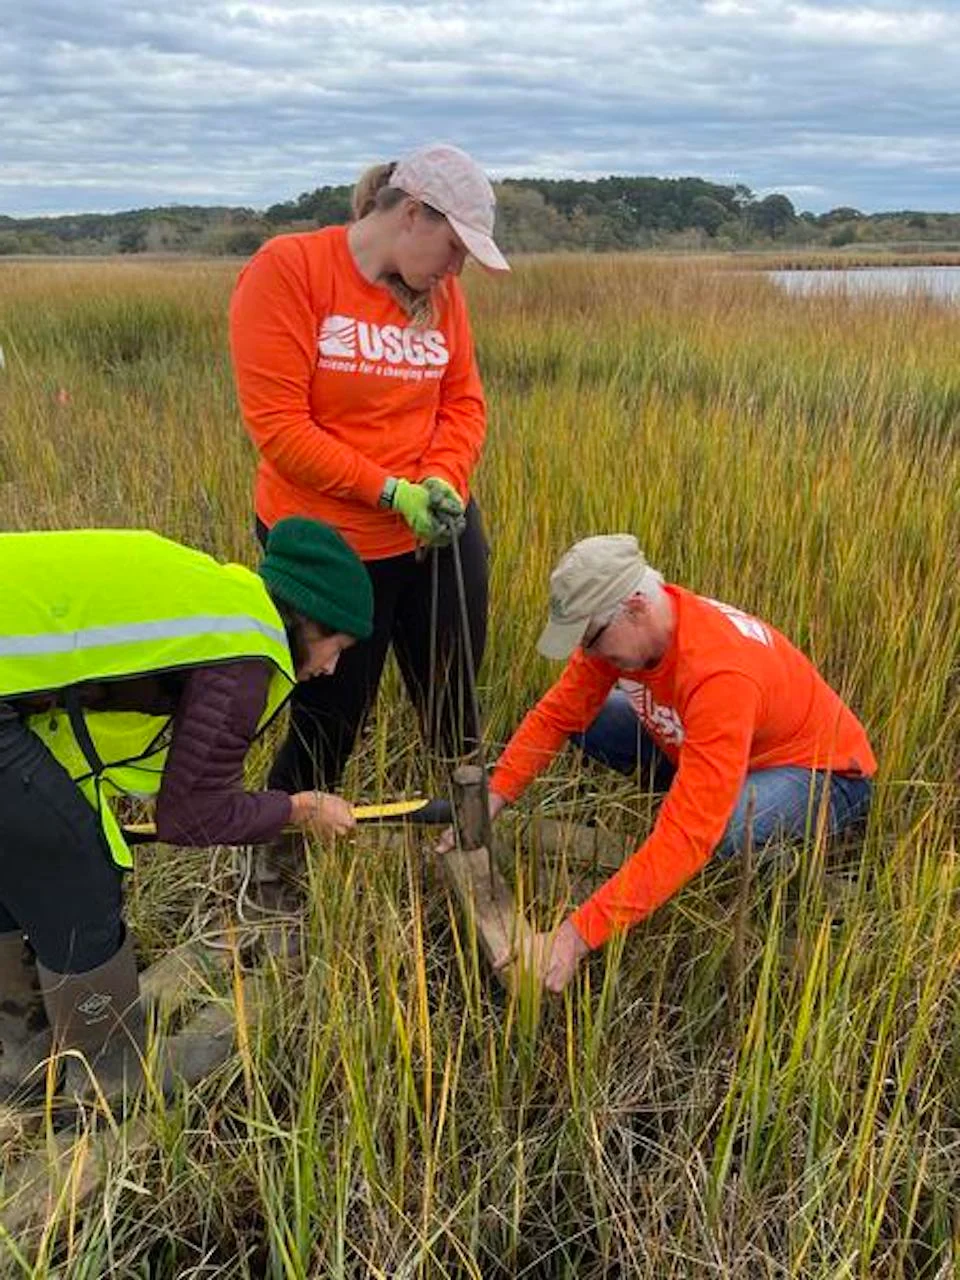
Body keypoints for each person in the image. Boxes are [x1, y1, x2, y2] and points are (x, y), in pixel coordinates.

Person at [0, 517, 372, 1103]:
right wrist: (299, 808)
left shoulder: (213, 600)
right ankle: (112, 1078)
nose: (330, 668)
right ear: (308, 619)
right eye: (337, 648)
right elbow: (191, 816)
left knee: (20, 860)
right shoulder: (245, 646)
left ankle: (23, 1060)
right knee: (80, 874)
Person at [228, 142, 509, 801]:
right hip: (331, 543)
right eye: (455, 248)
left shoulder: (439, 294)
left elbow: (462, 401)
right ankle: (283, 853)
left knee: (452, 696)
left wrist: (442, 480)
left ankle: (467, 828)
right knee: (331, 717)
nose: (457, 269)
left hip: (435, 529)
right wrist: (388, 492)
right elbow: (280, 429)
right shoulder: (291, 270)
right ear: (412, 214)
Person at [479, 535, 876, 994]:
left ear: (635, 606)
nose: (587, 656)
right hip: (717, 744)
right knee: (591, 721)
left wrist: (573, 937)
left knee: (721, 829)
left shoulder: (719, 674)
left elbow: (689, 834)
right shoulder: (629, 631)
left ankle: (773, 851)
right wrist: (495, 794)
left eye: (590, 639)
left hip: (822, 774)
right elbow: (556, 714)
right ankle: (704, 785)